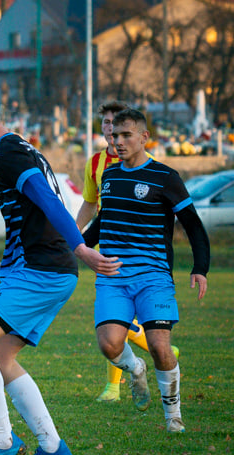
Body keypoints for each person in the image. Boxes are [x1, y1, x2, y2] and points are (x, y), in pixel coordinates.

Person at [0, 87, 121, 455]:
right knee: (0, 357)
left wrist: (82, 248)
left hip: (43, 272)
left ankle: (2, 443)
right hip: (47, 270)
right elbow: (29, 219)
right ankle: (52, 447)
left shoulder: (9, 154)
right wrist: (6, 262)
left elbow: (49, 202)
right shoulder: (20, 148)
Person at [83, 108, 209, 433]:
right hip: (112, 276)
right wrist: (76, 245)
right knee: (109, 344)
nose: (118, 141)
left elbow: (193, 224)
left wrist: (201, 267)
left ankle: (173, 417)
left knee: (159, 346)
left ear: (143, 137)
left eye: (126, 135)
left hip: (153, 277)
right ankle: (134, 369)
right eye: (114, 135)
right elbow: (102, 223)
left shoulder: (165, 177)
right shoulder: (109, 176)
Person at [76, 101, 178, 402]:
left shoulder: (147, 165)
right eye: (106, 125)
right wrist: (72, 237)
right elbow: (91, 206)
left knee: (125, 326)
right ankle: (126, 375)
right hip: (108, 248)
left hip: (144, 257)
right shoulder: (96, 163)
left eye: (115, 125)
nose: (111, 132)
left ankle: (141, 367)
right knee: (112, 330)